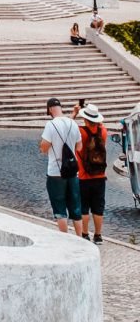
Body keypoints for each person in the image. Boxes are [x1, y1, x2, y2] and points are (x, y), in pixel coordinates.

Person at [40, 97, 83, 236]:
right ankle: (80, 239)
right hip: (72, 172)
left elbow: (44, 148)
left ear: (50, 109)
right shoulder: (73, 124)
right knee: (76, 207)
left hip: (55, 173)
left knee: (59, 207)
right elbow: (79, 147)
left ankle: (65, 239)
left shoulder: (50, 125)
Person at [71, 102, 108, 244]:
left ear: (85, 119)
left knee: (84, 206)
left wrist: (75, 113)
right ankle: (98, 236)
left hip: (84, 176)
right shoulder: (103, 132)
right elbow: (100, 125)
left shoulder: (80, 132)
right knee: (98, 207)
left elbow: (67, 127)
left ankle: (85, 234)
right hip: (100, 176)